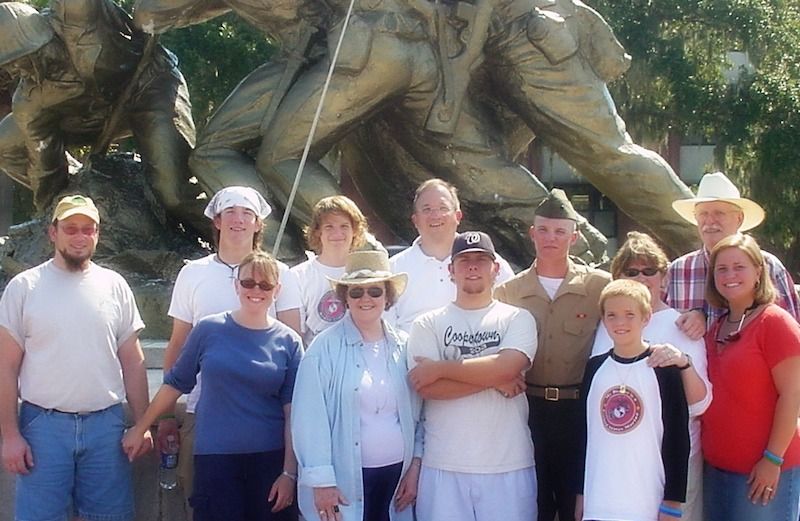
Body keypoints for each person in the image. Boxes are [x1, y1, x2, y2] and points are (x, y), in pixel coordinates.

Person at [0, 194, 150, 521]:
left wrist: (143, 423)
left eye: (88, 229)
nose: (80, 236)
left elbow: (133, 362)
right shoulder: (23, 288)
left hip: (106, 428)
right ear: (53, 233)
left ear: (97, 234)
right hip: (43, 428)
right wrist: (10, 436)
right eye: (71, 229)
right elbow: (6, 367)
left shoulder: (115, 286)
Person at [123, 250, 302, 521]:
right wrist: (141, 427)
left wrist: (289, 473)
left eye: (265, 285)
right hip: (216, 458)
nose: (256, 290)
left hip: (269, 459)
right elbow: (175, 384)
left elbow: (293, 413)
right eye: (248, 283)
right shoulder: (208, 330)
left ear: (276, 290)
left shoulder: (289, 342)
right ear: (236, 285)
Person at [158, 186, 302, 518]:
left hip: (267, 428)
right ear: (217, 221)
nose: (238, 219)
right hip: (203, 421)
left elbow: (294, 346)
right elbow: (177, 345)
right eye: (230, 212)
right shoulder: (192, 273)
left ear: (257, 224)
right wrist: (167, 417)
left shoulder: (284, 276)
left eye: (247, 213)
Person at [0, 1, 203, 231]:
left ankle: (237, 240)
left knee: (174, 193)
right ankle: (81, 190)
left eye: (20, 61)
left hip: (150, 87)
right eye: (9, 68)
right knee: (5, 144)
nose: (18, 72)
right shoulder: (29, 100)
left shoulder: (76, 14)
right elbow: (46, 165)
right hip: (91, 119)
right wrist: (52, 215)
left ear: (37, 43)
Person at [494, 188, 610, 521]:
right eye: (543, 230)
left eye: (560, 232)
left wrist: (695, 315)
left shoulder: (599, 287)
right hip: (526, 410)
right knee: (533, 501)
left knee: (577, 501)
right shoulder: (508, 292)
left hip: (578, 411)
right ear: (532, 234)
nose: (551, 238)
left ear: (574, 238)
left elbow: (639, 312)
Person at [406, 231, 537, 521]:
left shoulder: (517, 318)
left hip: (508, 464)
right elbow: (426, 387)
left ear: (496, 269)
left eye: (481, 260)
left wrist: (440, 368)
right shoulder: (427, 323)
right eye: (464, 261)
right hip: (443, 465)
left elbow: (508, 367)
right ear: (450, 270)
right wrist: (494, 378)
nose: (473, 267)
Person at [291, 250, 421, 521]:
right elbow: (308, 420)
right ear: (344, 298)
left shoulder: (406, 346)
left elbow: (421, 416)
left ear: (388, 297)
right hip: (344, 487)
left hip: (396, 481)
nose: (366, 299)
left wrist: (415, 467)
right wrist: (321, 482)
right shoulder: (322, 350)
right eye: (356, 292)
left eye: (375, 291)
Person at [591, 231, 711, 521]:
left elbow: (700, 405)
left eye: (649, 271)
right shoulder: (608, 325)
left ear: (664, 277)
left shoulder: (683, 326)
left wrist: (683, 364)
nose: (641, 278)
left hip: (672, 462)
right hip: (617, 467)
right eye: (631, 272)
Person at [701, 234, 800, 521]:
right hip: (716, 473)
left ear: (758, 272)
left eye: (739, 266)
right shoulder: (715, 327)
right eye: (721, 269)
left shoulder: (775, 323)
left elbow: (793, 395)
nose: (730, 275)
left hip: (763, 476)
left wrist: (772, 459)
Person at [577, 279, 690, 521]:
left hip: (646, 500)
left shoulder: (663, 367)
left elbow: (678, 436)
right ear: (603, 319)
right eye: (612, 315)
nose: (620, 323)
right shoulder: (595, 368)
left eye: (630, 314)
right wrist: (580, 493)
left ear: (646, 317)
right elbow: (582, 433)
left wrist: (673, 500)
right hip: (599, 500)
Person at [666, 171, 800, 338]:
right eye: (703, 214)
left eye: (719, 213)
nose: (710, 221)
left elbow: (793, 337)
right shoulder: (676, 271)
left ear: (739, 218)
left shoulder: (769, 266)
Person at [390, 179, 516, 332]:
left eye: (443, 208)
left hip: (477, 354)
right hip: (412, 354)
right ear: (415, 220)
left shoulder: (491, 264)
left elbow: (512, 318)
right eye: (427, 209)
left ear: (458, 216)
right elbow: (385, 331)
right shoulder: (393, 269)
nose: (435, 215)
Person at [291, 195, 369, 344]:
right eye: (329, 227)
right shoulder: (298, 276)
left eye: (344, 226)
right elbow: (296, 336)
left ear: (355, 231)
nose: (337, 233)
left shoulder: (368, 273)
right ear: (318, 232)